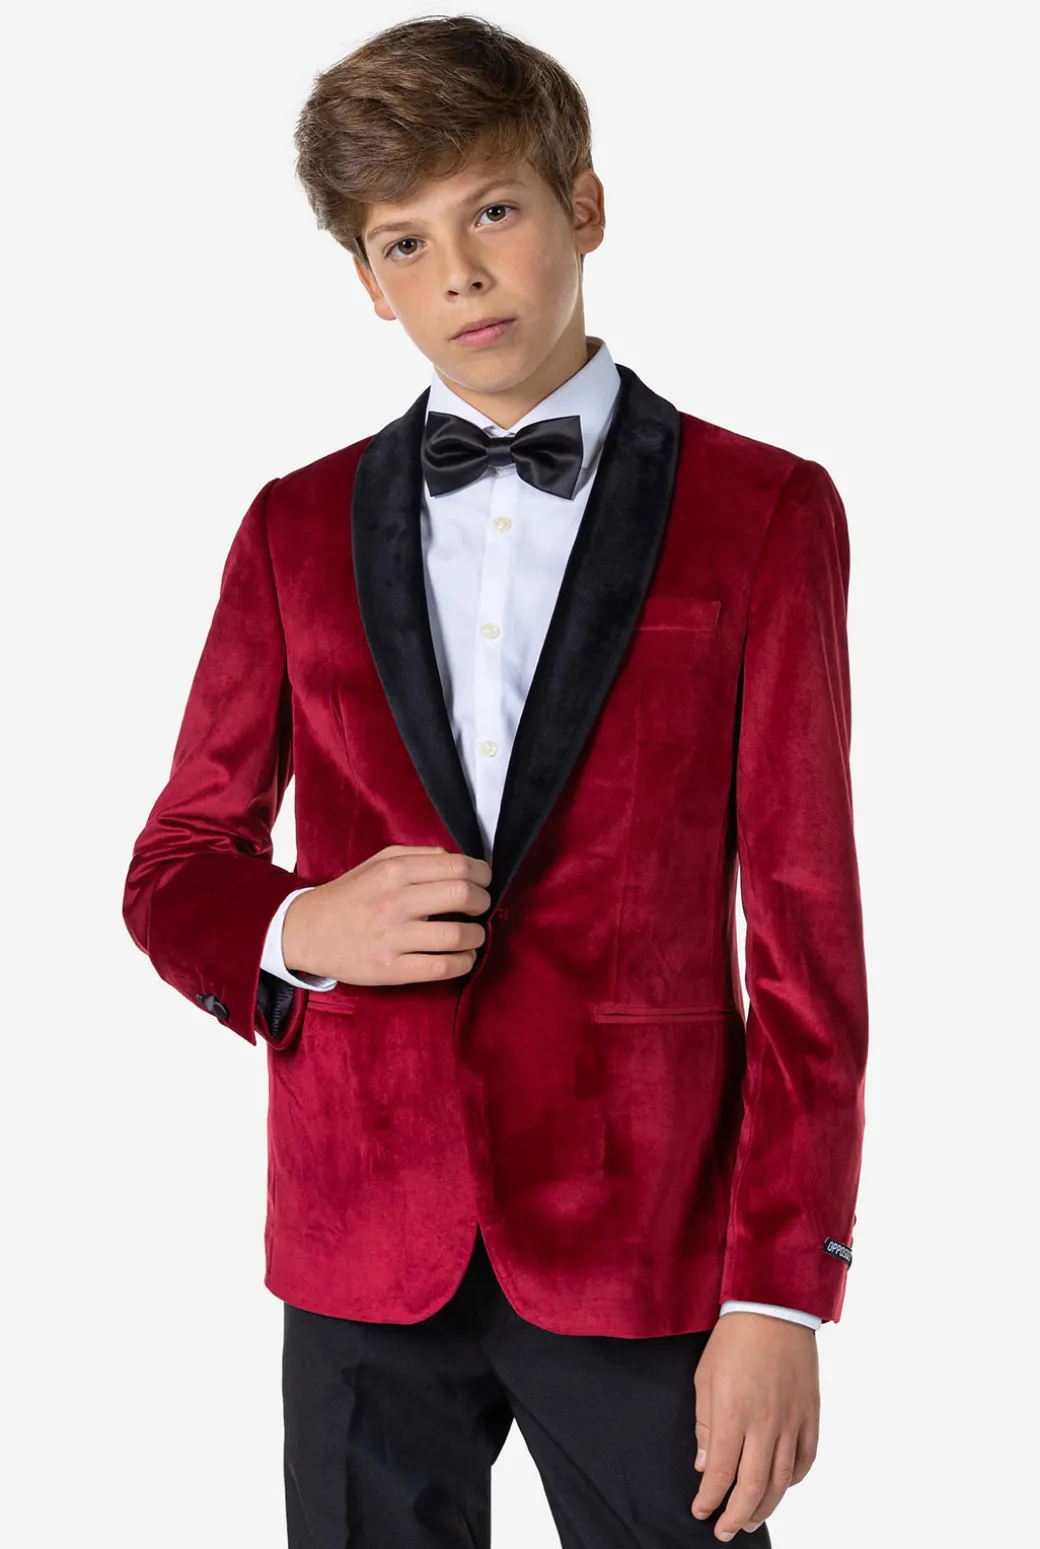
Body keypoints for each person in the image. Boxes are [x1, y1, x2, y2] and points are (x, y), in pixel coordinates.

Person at [122, 15, 869, 1546]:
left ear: (584, 207)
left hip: (644, 1243)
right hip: (360, 1238)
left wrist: (783, 1290)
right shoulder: (290, 528)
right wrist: (301, 926)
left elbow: (805, 935)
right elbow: (179, 861)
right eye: (406, 241)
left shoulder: (763, 511)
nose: (459, 272)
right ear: (368, 280)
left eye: (495, 211)